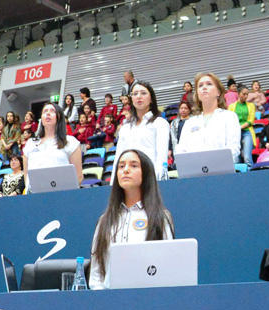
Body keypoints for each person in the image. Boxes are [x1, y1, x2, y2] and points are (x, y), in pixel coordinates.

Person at [88, 150, 174, 290]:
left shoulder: (160, 217)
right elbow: (96, 274)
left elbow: (168, 266)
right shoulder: (104, 220)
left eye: (133, 165)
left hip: (149, 299)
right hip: (109, 302)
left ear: (146, 173)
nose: (126, 170)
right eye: (121, 166)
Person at [176, 71, 241, 161]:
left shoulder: (229, 116)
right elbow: (181, 150)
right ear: (198, 94)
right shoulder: (190, 122)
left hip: (222, 171)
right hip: (194, 171)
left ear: (218, 92)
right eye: (200, 85)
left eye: (209, 84)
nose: (204, 87)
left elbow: (233, 148)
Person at [114, 80, 170, 180]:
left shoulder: (160, 123)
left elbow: (161, 158)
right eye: (135, 94)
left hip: (150, 180)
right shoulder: (125, 127)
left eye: (143, 93)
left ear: (151, 99)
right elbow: (118, 159)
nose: (139, 96)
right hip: (129, 181)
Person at [23, 101, 83, 187]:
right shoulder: (30, 143)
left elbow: (78, 177)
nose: (48, 113)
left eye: (52, 111)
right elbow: (27, 177)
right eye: (45, 111)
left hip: (61, 195)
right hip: (35, 196)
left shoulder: (71, 142)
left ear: (59, 117)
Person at [233, 85, 255, 162]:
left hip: (247, 132)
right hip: (235, 134)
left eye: (247, 94)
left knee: (247, 157)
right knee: (236, 158)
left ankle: (250, 173)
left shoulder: (251, 105)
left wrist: (240, 127)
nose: (246, 96)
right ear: (238, 94)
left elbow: (251, 121)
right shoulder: (231, 106)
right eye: (244, 94)